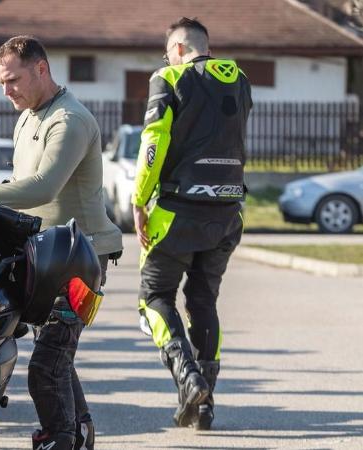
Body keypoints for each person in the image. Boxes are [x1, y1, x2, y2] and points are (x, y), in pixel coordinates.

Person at [0, 36, 123, 450]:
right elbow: (16, 186)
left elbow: (42, 188)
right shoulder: (27, 118)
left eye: (12, 80)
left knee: (47, 366)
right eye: (0, 82)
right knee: (56, 356)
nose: (6, 90)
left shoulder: (68, 120)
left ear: (41, 69)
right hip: (44, 253)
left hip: (81, 257)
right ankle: (80, 431)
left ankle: (60, 439)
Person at [132, 17, 252, 430]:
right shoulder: (240, 81)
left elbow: (154, 142)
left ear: (179, 49)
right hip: (228, 212)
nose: (166, 59)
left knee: (154, 298)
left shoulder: (168, 78)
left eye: (168, 53)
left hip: (177, 211)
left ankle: (188, 378)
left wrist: (139, 198)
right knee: (203, 301)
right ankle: (204, 406)